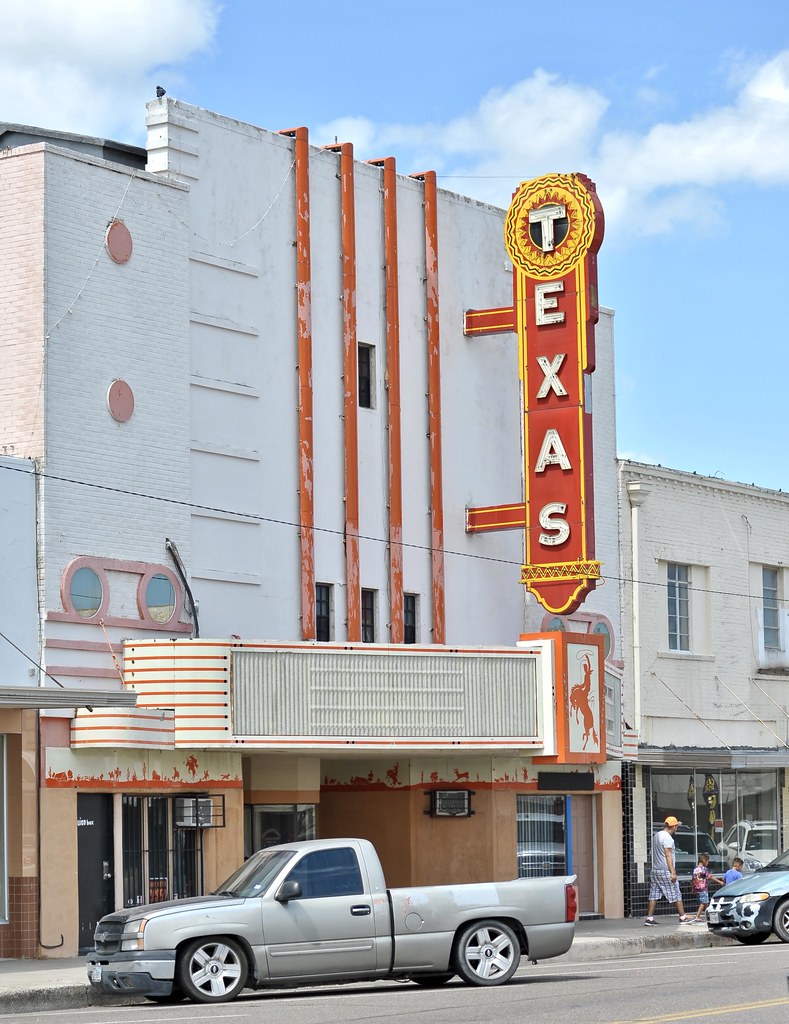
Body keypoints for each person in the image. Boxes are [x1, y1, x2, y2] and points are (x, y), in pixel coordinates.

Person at [645, 816, 690, 925]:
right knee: (676, 893)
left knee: (654, 894)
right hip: (665, 871)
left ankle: (649, 918)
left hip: (656, 870)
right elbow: (668, 855)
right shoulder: (668, 838)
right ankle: (682, 917)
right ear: (674, 826)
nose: (677, 828)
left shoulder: (657, 835)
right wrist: (672, 872)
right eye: (677, 826)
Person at [690, 852, 723, 922]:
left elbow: (693, 879)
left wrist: (693, 888)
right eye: (707, 861)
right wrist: (719, 882)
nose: (708, 863)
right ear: (704, 861)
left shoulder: (695, 869)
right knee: (703, 903)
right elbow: (710, 877)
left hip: (697, 888)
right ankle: (697, 916)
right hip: (703, 888)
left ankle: (708, 916)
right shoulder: (704, 869)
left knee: (706, 902)